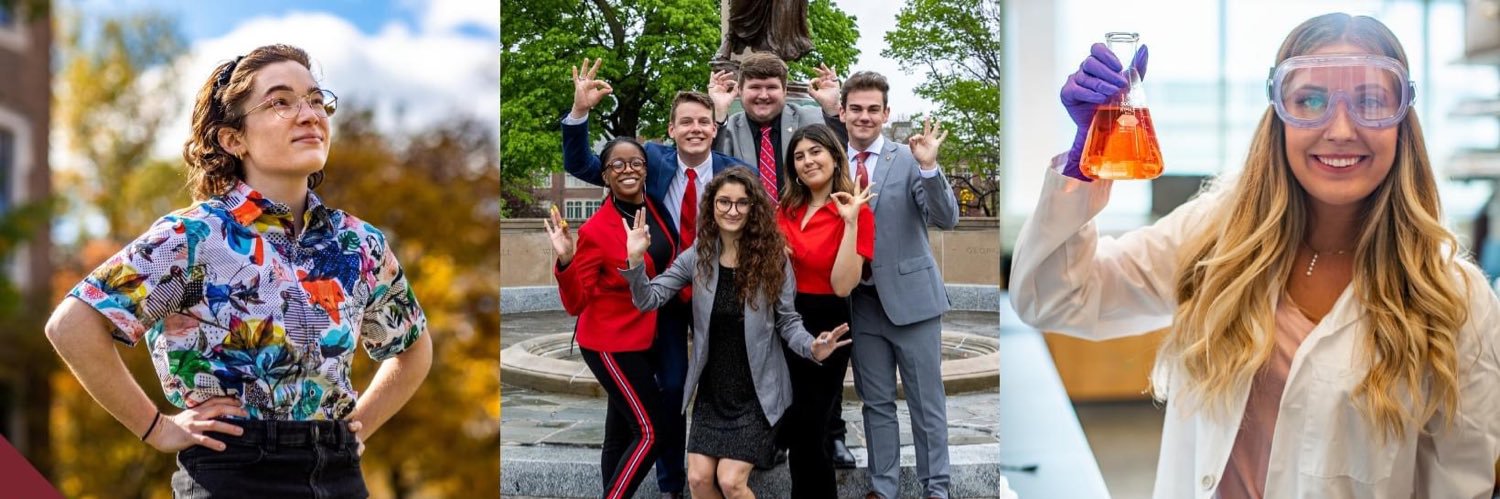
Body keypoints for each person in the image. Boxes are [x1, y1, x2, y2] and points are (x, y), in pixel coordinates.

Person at [1011, 13, 1500, 498]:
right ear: (1277, 114)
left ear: (1404, 120)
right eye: (1310, 100)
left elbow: (1461, 488)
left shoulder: (1455, 303)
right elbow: (1052, 299)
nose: (1341, 129)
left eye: (1371, 101)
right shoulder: (1213, 240)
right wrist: (1084, 162)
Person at [43, 44, 431, 497]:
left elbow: (412, 346)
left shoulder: (358, 243)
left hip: (339, 476)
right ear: (234, 139)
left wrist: (358, 426)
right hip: (232, 474)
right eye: (280, 102)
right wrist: (156, 428)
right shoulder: (194, 236)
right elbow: (72, 324)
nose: (308, 114)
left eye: (315, 100)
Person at [561, 57, 748, 498]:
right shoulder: (653, 163)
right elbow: (587, 163)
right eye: (686, 122)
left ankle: (737, 456)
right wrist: (580, 113)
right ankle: (671, 486)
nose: (696, 129)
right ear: (670, 130)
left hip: (713, 294)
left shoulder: (734, 170)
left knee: (723, 380)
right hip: (659, 302)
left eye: (704, 122)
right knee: (669, 397)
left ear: (715, 127)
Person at [621, 167, 852, 499]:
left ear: (753, 208)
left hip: (757, 393)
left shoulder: (772, 259)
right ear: (712, 206)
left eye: (742, 203)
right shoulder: (699, 255)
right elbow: (648, 299)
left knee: (730, 481)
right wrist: (635, 260)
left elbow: (787, 321)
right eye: (724, 202)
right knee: (699, 480)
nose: (732, 210)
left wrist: (812, 348)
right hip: (713, 393)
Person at [836, 71, 961, 499]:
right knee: (876, 404)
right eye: (856, 108)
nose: (865, 117)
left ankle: (936, 487)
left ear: (886, 114)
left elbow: (946, 218)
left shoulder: (909, 158)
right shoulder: (828, 162)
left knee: (927, 405)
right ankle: (883, 488)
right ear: (842, 111)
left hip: (913, 303)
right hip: (862, 303)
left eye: (874, 109)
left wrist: (929, 167)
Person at [546, 137, 679, 499]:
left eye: (635, 162)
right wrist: (566, 260)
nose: (628, 170)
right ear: (605, 176)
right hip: (610, 343)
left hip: (645, 338)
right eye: (617, 165)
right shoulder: (595, 230)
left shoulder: (654, 208)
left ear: (646, 169)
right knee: (653, 431)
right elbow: (576, 303)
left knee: (619, 433)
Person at [774, 123, 875, 497]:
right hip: (785, 320)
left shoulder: (857, 211)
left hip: (828, 323)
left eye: (815, 152)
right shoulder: (785, 209)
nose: (807, 161)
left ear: (835, 156)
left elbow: (842, 286)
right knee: (798, 426)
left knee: (809, 429)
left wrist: (850, 225)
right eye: (799, 156)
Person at [709, 52, 847, 205]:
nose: (763, 95)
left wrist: (833, 108)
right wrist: (719, 112)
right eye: (755, 87)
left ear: (785, 90)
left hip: (803, 222)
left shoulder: (813, 120)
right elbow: (709, 169)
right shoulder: (727, 129)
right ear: (739, 90)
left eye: (771, 87)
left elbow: (845, 153)